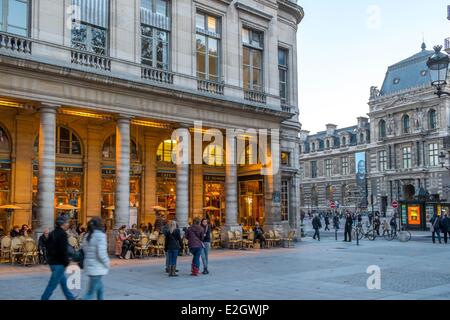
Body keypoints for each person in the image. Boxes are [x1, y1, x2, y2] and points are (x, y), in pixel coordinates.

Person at [41, 216, 77, 300]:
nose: (68, 224)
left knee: (63, 283)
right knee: (52, 285)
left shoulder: (52, 233)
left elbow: (47, 246)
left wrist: (49, 258)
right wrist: (66, 262)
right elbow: (63, 250)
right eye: (67, 222)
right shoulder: (63, 234)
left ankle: (70, 298)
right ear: (63, 224)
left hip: (53, 263)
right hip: (59, 264)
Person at [81, 217, 110, 300]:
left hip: (90, 266)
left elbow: (84, 250)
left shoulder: (87, 235)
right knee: (90, 293)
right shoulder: (101, 236)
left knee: (100, 288)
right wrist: (107, 262)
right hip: (97, 268)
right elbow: (101, 254)